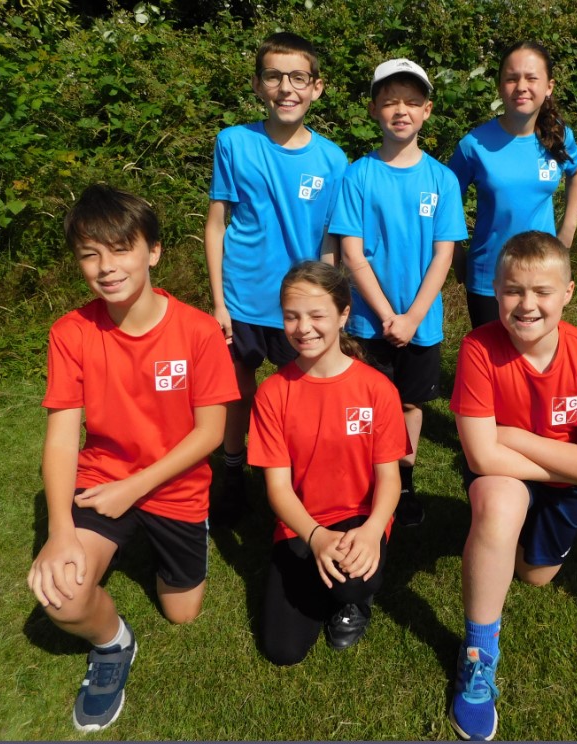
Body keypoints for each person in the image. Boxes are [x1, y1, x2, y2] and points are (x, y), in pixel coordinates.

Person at [27, 184, 240, 732]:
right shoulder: (70, 333)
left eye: (121, 249)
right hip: (102, 482)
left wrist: (135, 488)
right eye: (89, 254)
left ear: (154, 252)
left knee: (182, 613)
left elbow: (211, 432)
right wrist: (59, 530)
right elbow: (61, 440)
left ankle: (175, 535)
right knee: (63, 600)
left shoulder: (198, 331)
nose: (106, 267)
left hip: (176, 488)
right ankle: (113, 644)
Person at [447, 231, 577, 741]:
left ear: (567, 293)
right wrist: (572, 464)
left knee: (535, 576)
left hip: (555, 479)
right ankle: (478, 657)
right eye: (513, 291)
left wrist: (515, 435)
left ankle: (501, 542)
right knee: (498, 501)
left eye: (542, 291)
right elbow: (481, 457)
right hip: (507, 474)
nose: (527, 305)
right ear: (495, 291)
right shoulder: (479, 348)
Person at [204, 31, 349, 528]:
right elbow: (216, 225)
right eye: (274, 76)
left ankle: (298, 481)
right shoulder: (233, 142)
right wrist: (219, 303)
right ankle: (232, 471)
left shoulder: (333, 160)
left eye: (298, 78)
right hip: (242, 297)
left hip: (301, 307)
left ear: (316, 88)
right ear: (258, 84)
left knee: (302, 396)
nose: (286, 88)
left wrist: (328, 303)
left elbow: (330, 240)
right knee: (237, 390)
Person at [247, 261, 408, 665]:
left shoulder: (377, 389)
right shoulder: (272, 393)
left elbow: (389, 479)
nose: (303, 328)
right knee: (283, 650)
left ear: (343, 314)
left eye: (316, 315)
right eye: (291, 316)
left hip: (360, 518)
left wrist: (372, 531)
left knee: (351, 584)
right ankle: (319, 579)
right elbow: (278, 489)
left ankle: (354, 600)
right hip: (301, 523)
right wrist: (316, 538)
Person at [330, 58, 468, 527]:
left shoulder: (442, 179)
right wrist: (388, 315)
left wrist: (411, 318)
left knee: (409, 403)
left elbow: (443, 256)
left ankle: (404, 483)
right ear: (374, 110)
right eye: (390, 102)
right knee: (365, 403)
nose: (401, 111)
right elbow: (352, 253)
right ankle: (364, 481)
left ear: (427, 111)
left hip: (421, 323)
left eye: (411, 102)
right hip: (368, 321)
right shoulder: (358, 175)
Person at [448, 40, 577, 329]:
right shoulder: (473, 145)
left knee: (536, 351)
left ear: (549, 86)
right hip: (491, 278)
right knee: (491, 354)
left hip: (544, 275)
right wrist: (456, 252)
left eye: (531, 78)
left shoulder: (559, 135)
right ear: (500, 87)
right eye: (512, 78)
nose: (521, 86)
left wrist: (568, 228)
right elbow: (446, 199)